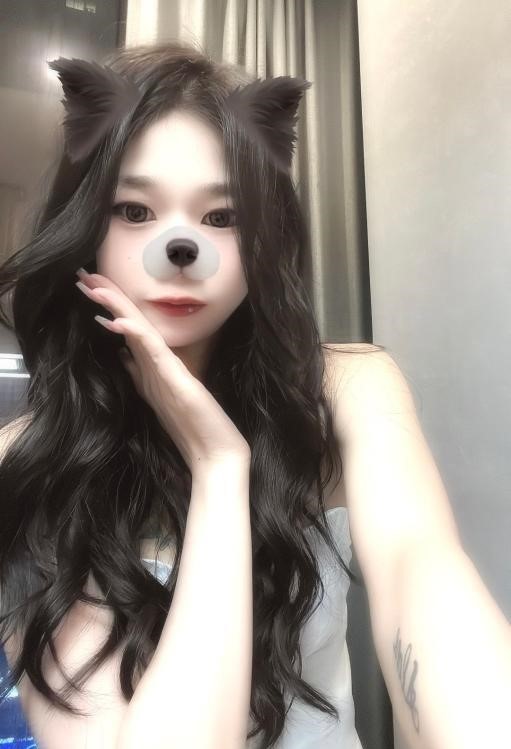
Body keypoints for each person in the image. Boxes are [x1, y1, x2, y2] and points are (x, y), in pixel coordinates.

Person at [0, 40, 510, 749]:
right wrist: (219, 467)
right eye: (134, 210)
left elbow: (421, 575)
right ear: (85, 228)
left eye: (222, 217)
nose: (181, 250)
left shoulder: (343, 391)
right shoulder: (27, 462)